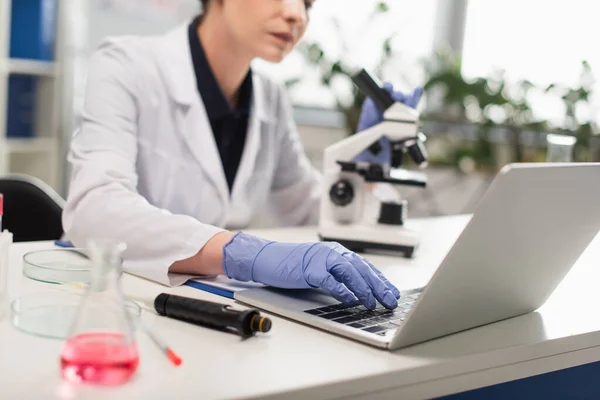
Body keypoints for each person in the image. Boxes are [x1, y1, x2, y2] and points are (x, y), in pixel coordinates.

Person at [63, 0, 422, 310]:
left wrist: (367, 164)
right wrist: (243, 253)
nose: (296, 14)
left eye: (308, 3)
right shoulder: (125, 66)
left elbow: (312, 206)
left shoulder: (271, 98)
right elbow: (94, 208)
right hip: (127, 304)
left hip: (220, 312)